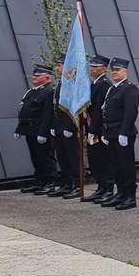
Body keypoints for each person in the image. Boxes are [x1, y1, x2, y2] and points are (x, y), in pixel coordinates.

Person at [100, 57, 139, 210]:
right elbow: (106, 111)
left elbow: (130, 112)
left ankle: (130, 196)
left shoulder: (129, 88)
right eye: (113, 70)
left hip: (123, 132)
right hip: (111, 131)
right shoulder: (112, 88)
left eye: (118, 70)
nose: (115, 72)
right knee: (116, 165)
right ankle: (121, 193)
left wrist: (124, 132)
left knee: (126, 166)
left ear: (125, 72)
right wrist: (105, 132)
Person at [16, 64, 56, 195]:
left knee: (45, 157)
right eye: (34, 75)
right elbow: (23, 110)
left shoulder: (48, 92)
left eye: (38, 76)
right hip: (29, 130)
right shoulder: (32, 91)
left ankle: (50, 183)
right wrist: (19, 129)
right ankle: (40, 181)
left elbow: (47, 114)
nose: (34, 77)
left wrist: (43, 132)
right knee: (36, 158)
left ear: (47, 78)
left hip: (40, 129)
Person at [82, 54, 114, 203]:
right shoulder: (94, 84)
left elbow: (98, 111)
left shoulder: (104, 84)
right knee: (95, 160)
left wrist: (93, 130)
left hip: (99, 129)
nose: (92, 69)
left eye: (95, 67)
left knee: (103, 160)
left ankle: (107, 189)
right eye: (91, 66)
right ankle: (100, 187)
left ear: (103, 69)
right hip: (91, 126)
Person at [49, 54, 81, 199]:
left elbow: (73, 108)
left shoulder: (72, 84)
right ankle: (66, 183)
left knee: (73, 157)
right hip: (59, 125)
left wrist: (70, 126)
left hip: (69, 126)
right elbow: (56, 107)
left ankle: (77, 185)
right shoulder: (61, 83)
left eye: (60, 65)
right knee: (62, 156)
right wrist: (54, 125)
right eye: (56, 66)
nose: (57, 68)